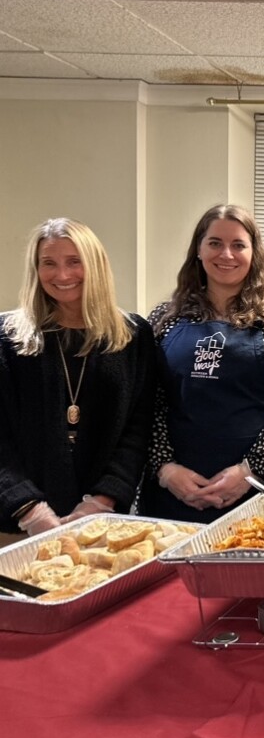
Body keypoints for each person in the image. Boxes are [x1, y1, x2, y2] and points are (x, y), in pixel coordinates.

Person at [140, 205, 264, 523]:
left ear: (254, 253)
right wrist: (165, 469)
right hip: (174, 497)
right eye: (215, 243)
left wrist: (249, 471)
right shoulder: (163, 319)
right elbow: (146, 405)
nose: (227, 254)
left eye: (238, 244)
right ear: (198, 249)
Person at [0, 219, 156, 541]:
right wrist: (28, 507)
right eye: (49, 263)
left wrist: (104, 499)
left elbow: (137, 430)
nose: (62, 275)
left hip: (103, 525)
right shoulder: (6, 338)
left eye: (74, 262)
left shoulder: (133, 336)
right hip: (15, 525)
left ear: (96, 265)